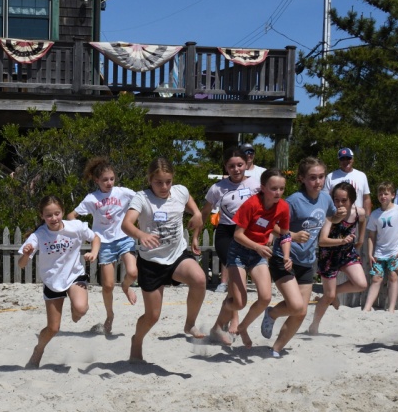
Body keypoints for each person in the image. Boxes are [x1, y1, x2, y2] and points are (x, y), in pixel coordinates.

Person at [121, 157, 207, 363]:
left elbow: (190, 202)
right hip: (151, 262)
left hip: (177, 255)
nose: (164, 187)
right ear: (150, 180)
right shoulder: (142, 198)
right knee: (152, 316)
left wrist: (196, 213)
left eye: (168, 181)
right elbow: (126, 224)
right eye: (158, 182)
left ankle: (190, 324)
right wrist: (141, 234)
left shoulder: (180, 191)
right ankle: (137, 340)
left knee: (199, 279)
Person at [208, 169, 297, 354]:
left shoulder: (283, 207)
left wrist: (287, 256)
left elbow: (285, 234)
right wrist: (257, 246)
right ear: (263, 188)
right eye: (274, 188)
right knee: (239, 302)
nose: (278, 192)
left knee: (265, 297)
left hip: (258, 254)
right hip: (239, 252)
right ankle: (218, 325)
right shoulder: (251, 204)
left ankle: (242, 327)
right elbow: (237, 235)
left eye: (281, 188)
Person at [259, 157, 339, 356]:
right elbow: (271, 224)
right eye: (312, 177)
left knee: (301, 311)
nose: (318, 182)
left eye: (321, 177)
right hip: (284, 258)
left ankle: (276, 349)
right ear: (302, 178)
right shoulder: (294, 201)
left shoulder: (326, 198)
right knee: (295, 306)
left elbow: (332, 217)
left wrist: (341, 215)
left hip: (308, 260)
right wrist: (293, 236)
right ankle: (272, 313)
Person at [20, 196, 100, 367]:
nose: (54, 218)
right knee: (53, 328)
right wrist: (26, 254)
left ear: (63, 212)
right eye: (49, 215)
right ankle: (39, 349)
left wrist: (94, 252)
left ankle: (75, 308)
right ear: (42, 216)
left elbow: (95, 238)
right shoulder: (39, 235)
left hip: (74, 275)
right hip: (52, 281)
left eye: (57, 213)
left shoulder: (75, 226)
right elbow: (21, 264)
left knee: (81, 308)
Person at [67, 157, 137, 335]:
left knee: (132, 272)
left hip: (124, 237)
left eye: (112, 178)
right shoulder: (92, 198)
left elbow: (142, 201)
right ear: (97, 180)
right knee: (108, 285)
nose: (109, 182)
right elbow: (71, 216)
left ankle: (126, 286)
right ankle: (110, 315)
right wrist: (82, 232)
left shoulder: (123, 192)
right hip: (104, 243)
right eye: (105, 180)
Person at [201, 149, 260, 317]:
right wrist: (196, 236)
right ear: (226, 167)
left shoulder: (256, 184)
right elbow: (204, 212)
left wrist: (270, 232)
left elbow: (267, 209)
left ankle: (225, 313)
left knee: (241, 279)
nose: (236, 169)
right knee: (236, 277)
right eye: (231, 166)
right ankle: (234, 318)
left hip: (249, 233)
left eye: (239, 165)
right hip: (226, 233)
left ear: (246, 165)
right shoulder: (217, 188)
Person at [308, 182, 369, 334]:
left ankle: (334, 292)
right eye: (336, 200)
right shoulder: (330, 215)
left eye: (344, 200)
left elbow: (363, 220)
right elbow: (322, 241)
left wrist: (361, 239)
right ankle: (314, 325)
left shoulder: (359, 212)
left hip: (347, 253)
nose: (340, 204)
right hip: (329, 256)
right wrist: (341, 241)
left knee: (361, 284)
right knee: (328, 296)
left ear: (352, 200)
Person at [362, 182, 398, 313]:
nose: (383, 196)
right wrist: (370, 253)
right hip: (379, 253)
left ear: (393, 195)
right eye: (380, 194)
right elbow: (371, 236)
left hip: (395, 252)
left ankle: (391, 308)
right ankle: (367, 308)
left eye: (386, 193)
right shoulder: (375, 214)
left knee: (393, 277)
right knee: (376, 278)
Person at [325, 147, 372, 216]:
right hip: (337, 218)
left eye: (348, 158)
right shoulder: (330, 177)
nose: (345, 161)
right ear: (339, 161)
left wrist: (367, 218)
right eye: (342, 159)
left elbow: (366, 199)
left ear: (353, 159)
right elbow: (326, 200)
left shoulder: (362, 175)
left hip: (357, 217)